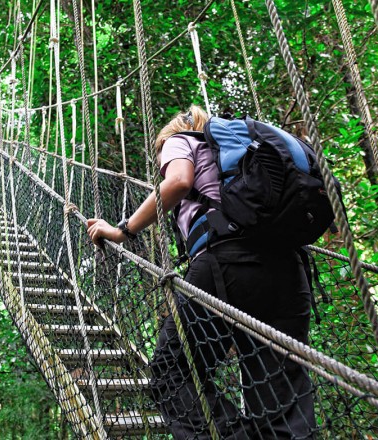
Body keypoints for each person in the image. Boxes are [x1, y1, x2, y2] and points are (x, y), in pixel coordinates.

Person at [86, 105, 316, 439]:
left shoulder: (180, 140)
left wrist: (123, 230)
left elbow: (179, 181)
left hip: (227, 263)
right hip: (289, 268)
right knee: (280, 401)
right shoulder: (243, 149)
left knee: (171, 372)